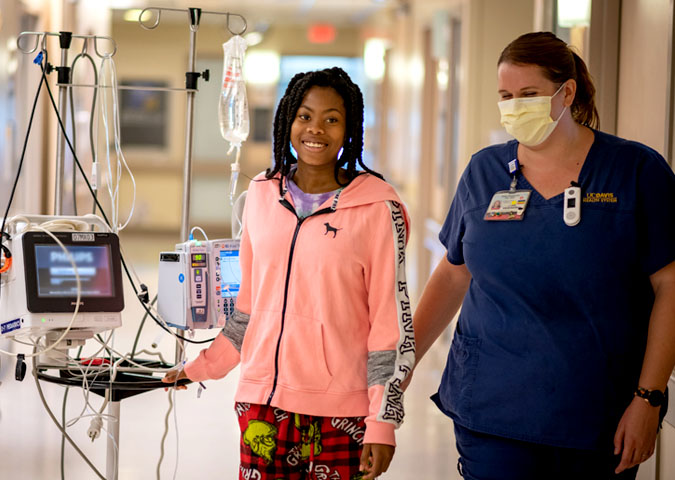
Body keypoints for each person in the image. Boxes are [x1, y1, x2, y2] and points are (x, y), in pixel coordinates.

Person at [411, 32, 675, 480]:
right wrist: (402, 362)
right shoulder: (485, 170)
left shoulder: (636, 171)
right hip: (491, 409)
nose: (515, 106)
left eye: (529, 95)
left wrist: (648, 398)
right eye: (506, 96)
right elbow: (454, 275)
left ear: (566, 92)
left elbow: (670, 286)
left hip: (597, 415)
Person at [163, 67, 414, 480]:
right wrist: (200, 367)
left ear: (350, 128)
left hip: (340, 412)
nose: (316, 129)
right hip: (261, 402)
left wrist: (382, 420)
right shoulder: (262, 194)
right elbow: (249, 309)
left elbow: (391, 327)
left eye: (332, 119)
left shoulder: (379, 208)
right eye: (305, 115)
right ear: (287, 120)